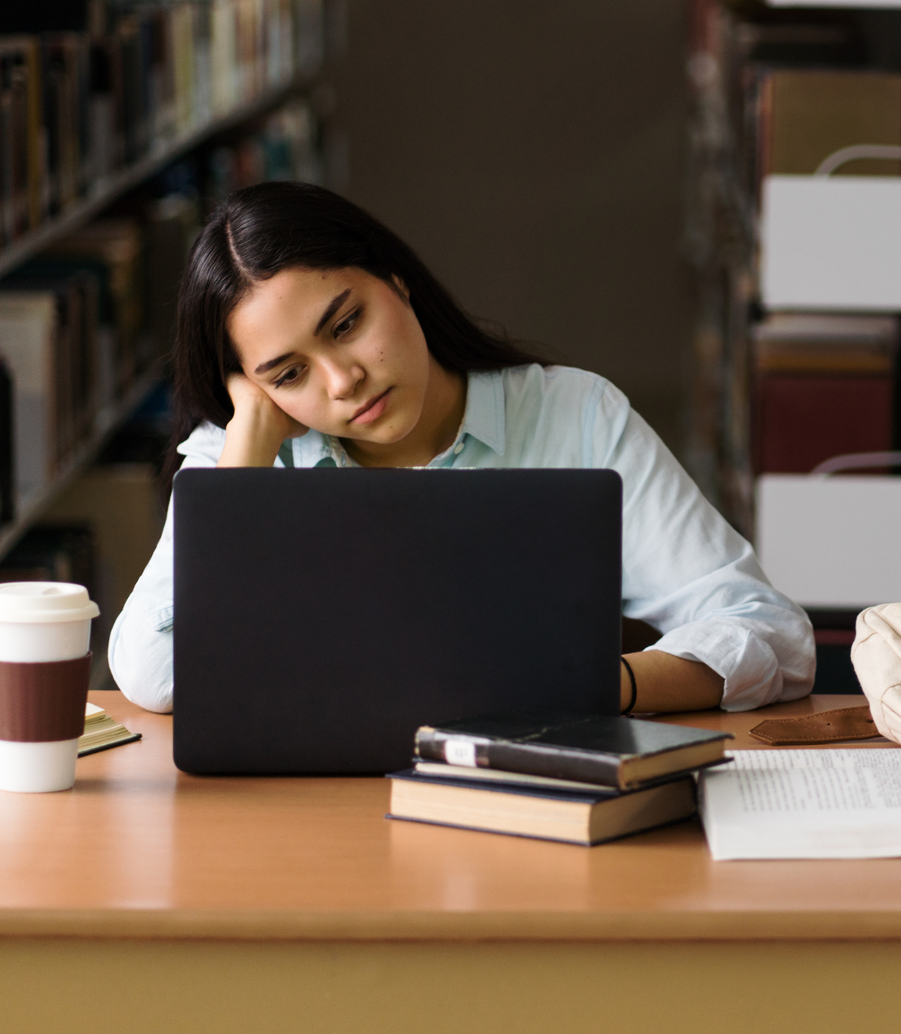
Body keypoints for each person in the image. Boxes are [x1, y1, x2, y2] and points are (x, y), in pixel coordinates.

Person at [108, 181, 814, 716]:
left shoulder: (574, 414)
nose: (342, 380)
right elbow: (150, 669)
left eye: (347, 323)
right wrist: (245, 473)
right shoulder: (243, 456)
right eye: (289, 373)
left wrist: (600, 684)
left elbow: (772, 633)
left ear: (396, 280)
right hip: (319, 829)